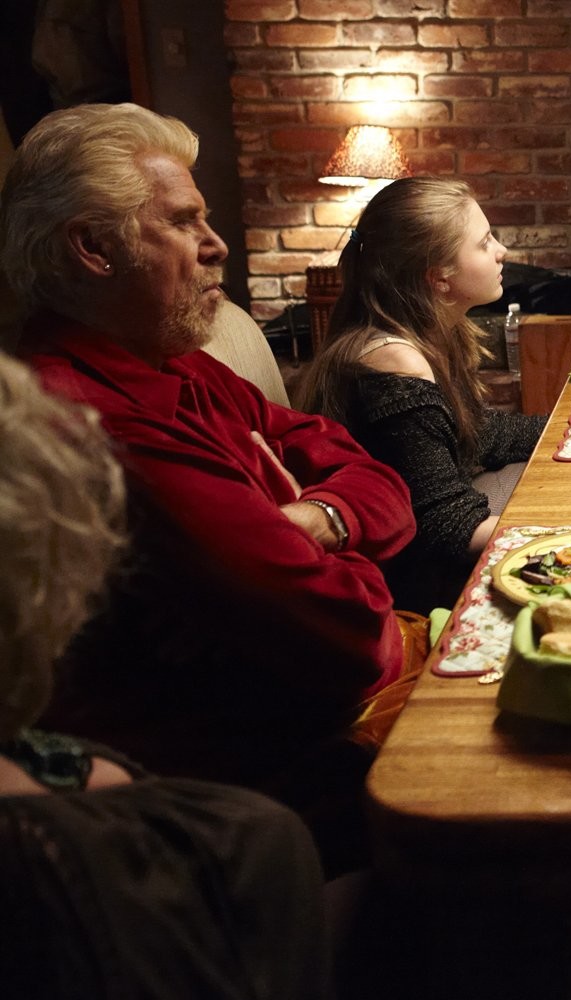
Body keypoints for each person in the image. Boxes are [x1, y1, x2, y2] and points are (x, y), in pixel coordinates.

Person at [0, 103, 419, 873]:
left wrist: (310, 521)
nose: (216, 244)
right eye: (184, 222)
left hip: (320, 716)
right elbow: (353, 636)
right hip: (252, 790)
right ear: (92, 247)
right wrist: (348, 562)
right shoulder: (89, 417)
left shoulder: (175, 361)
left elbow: (383, 481)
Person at [0, 353, 330, 998]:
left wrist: (329, 517)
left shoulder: (195, 370)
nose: (211, 246)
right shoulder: (217, 841)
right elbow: (345, 630)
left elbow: (339, 452)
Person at [295, 177, 546, 614]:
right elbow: (450, 529)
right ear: (439, 279)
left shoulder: (423, 334)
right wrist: (569, 530)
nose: (502, 251)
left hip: (430, 556)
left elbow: (477, 434)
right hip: (410, 588)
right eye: (485, 243)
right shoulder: (394, 363)